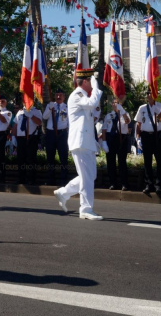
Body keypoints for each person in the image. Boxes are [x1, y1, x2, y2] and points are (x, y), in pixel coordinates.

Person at [54, 69, 103, 220]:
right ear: (86, 81)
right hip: (80, 143)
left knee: (89, 176)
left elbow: (87, 122)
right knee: (87, 176)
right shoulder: (78, 95)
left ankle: (64, 192)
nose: (93, 83)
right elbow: (92, 103)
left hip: (86, 142)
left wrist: (94, 141)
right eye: (91, 80)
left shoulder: (83, 96)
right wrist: (96, 88)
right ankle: (86, 209)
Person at [134, 89, 161, 196]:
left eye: (151, 93)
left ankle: (159, 185)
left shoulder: (159, 106)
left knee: (160, 161)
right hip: (146, 136)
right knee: (147, 161)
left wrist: (158, 111)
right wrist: (138, 137)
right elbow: (139, 123)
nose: (149, 95)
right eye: (147, 93)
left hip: (158, 135)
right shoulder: (142, 108)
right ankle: (149, 184)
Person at [102, 98, 130, 190]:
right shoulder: (108, 116)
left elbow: (127, 121)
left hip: (121, 138)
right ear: (111, 104)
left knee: (122, 162)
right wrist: (104, 142)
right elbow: (104, 130)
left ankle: (124, 184)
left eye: (117, 103)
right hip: (111, 138)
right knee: (111, 162)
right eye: (114, 103)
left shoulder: (125, 114)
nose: (115, 105)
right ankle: (113, 183)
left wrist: (121, 110)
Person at [43, 89, 69, 186]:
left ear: (64, 97)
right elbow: (45, 117)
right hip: (51, 133)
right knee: (50, 157)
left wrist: (69, 136)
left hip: (62, 134)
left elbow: (69, 122)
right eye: (57, 95)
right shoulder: (50, 105)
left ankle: (63, 180)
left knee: (63, 157)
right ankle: (50, 179)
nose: (58, 97)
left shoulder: (67, 107)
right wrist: (49, 108)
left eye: (60, 95)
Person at [12, 104, 42, 184]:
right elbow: (16, 124)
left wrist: (31, 115)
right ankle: (21, 178)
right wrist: (13, 136)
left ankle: (31, 179)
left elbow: (39, 123)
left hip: (31, 137)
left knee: (31, 159)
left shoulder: (37, 111)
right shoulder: (20, 112)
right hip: (21, 138)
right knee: (21, 159)